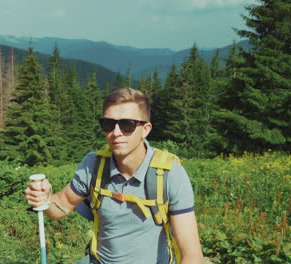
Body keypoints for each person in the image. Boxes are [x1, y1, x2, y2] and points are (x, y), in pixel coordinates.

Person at [25, 88, 203, 264]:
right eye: (108, 124)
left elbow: (192, 254)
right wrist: (45, 199)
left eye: (127, 125)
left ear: (145, 129)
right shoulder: (93, 165)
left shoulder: (168, 173)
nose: (116, 132)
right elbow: (61, 206)